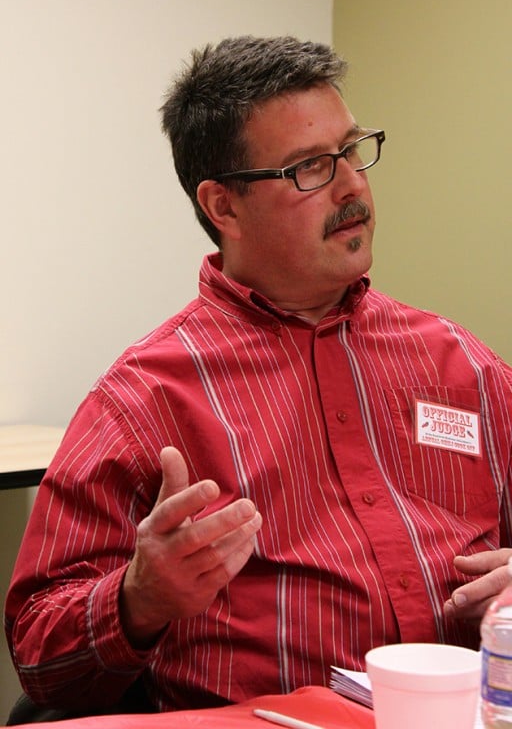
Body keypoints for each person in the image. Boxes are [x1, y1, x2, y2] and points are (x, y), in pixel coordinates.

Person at [5, 35, 512, 717]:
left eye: (353, 150)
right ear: (223, 207)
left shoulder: (463, 363)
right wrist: (140, 597)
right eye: (309, 168)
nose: (352, 184)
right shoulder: (144, 399)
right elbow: (40, 654)